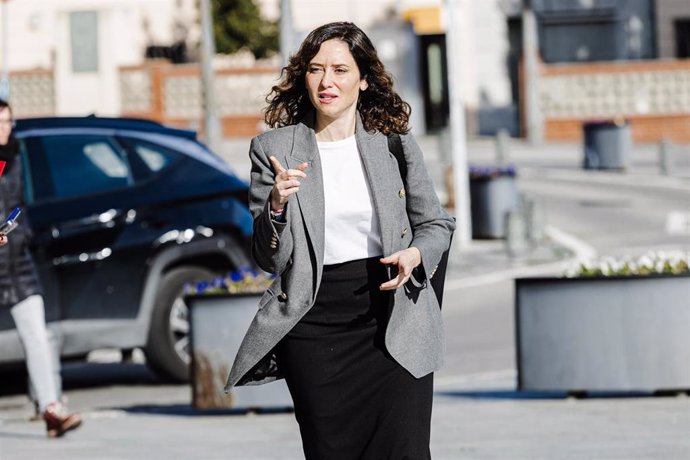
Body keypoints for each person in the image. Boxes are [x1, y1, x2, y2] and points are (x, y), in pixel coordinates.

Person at [225, 22, 455, 458]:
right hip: (315, 329)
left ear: (364, 79)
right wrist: (276, 205)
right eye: (315, 70)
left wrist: (415, 254)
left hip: (391, 317)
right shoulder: (273, 149)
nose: (326, 81)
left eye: (340, 70)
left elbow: (437, 224)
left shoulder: (393, 143)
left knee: (404, 450)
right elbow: (267, 259)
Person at [0, 99, 82, 438]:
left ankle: (51, 407)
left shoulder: (16, 154)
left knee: (37, 334)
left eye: (7, 121)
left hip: (17, 258)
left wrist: (20, 228)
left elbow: (19, 202)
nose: (4, 128)